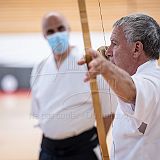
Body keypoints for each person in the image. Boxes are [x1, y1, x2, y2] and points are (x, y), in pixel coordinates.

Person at [30, 11, 116, 160]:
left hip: (82, 149)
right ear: (44, 35)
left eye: (60, 28)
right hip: (48, 149)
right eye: (50, 31)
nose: (56, 34)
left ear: (68, 29)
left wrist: (100, 144)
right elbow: (39, 111)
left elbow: (108, 112)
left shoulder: (88, 62)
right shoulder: (40, 67)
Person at [78, 13, 160, 160]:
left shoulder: (153, 82)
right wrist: (108, 66)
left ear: (136, 48)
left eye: (114, 43)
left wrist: (106, 68)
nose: (108, 51)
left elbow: (132, 91)